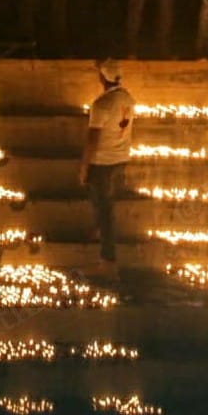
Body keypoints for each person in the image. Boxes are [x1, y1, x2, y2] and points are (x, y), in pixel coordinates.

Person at [78, 59, 134, 278]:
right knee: (104, 206)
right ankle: (100, 233)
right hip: (121, 159)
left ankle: (108, 263)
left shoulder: (101, 104)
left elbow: (93, 139)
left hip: (102, 162)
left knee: (105, 210)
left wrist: (84, 167)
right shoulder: (128, 98)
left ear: (102, 77)